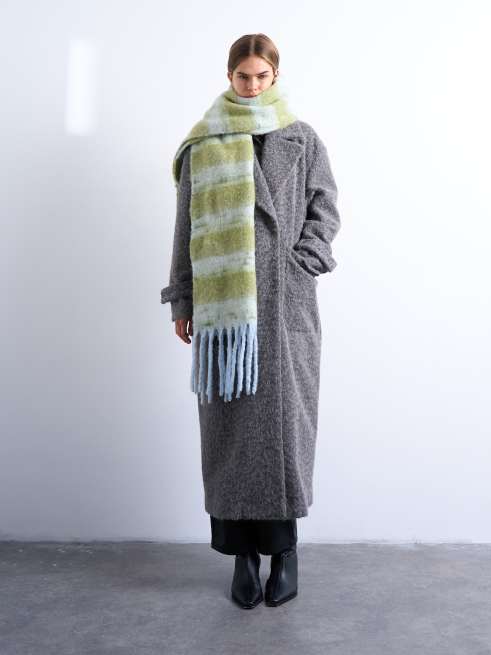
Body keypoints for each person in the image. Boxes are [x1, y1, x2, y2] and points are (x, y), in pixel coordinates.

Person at [161, 33, 341, 609]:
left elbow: (325, 209)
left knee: (285, 432)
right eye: (244, 76)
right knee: (232, 434)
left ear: (275, 76)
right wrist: (184, 300)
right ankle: (243, 556)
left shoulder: (302, 138)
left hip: (285, 309)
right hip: (225, 321)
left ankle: (284, 553)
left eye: (262, 76)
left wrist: (302, 261)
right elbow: (186, 227)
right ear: (229, 76)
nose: (253, 85)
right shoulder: (203, 144)